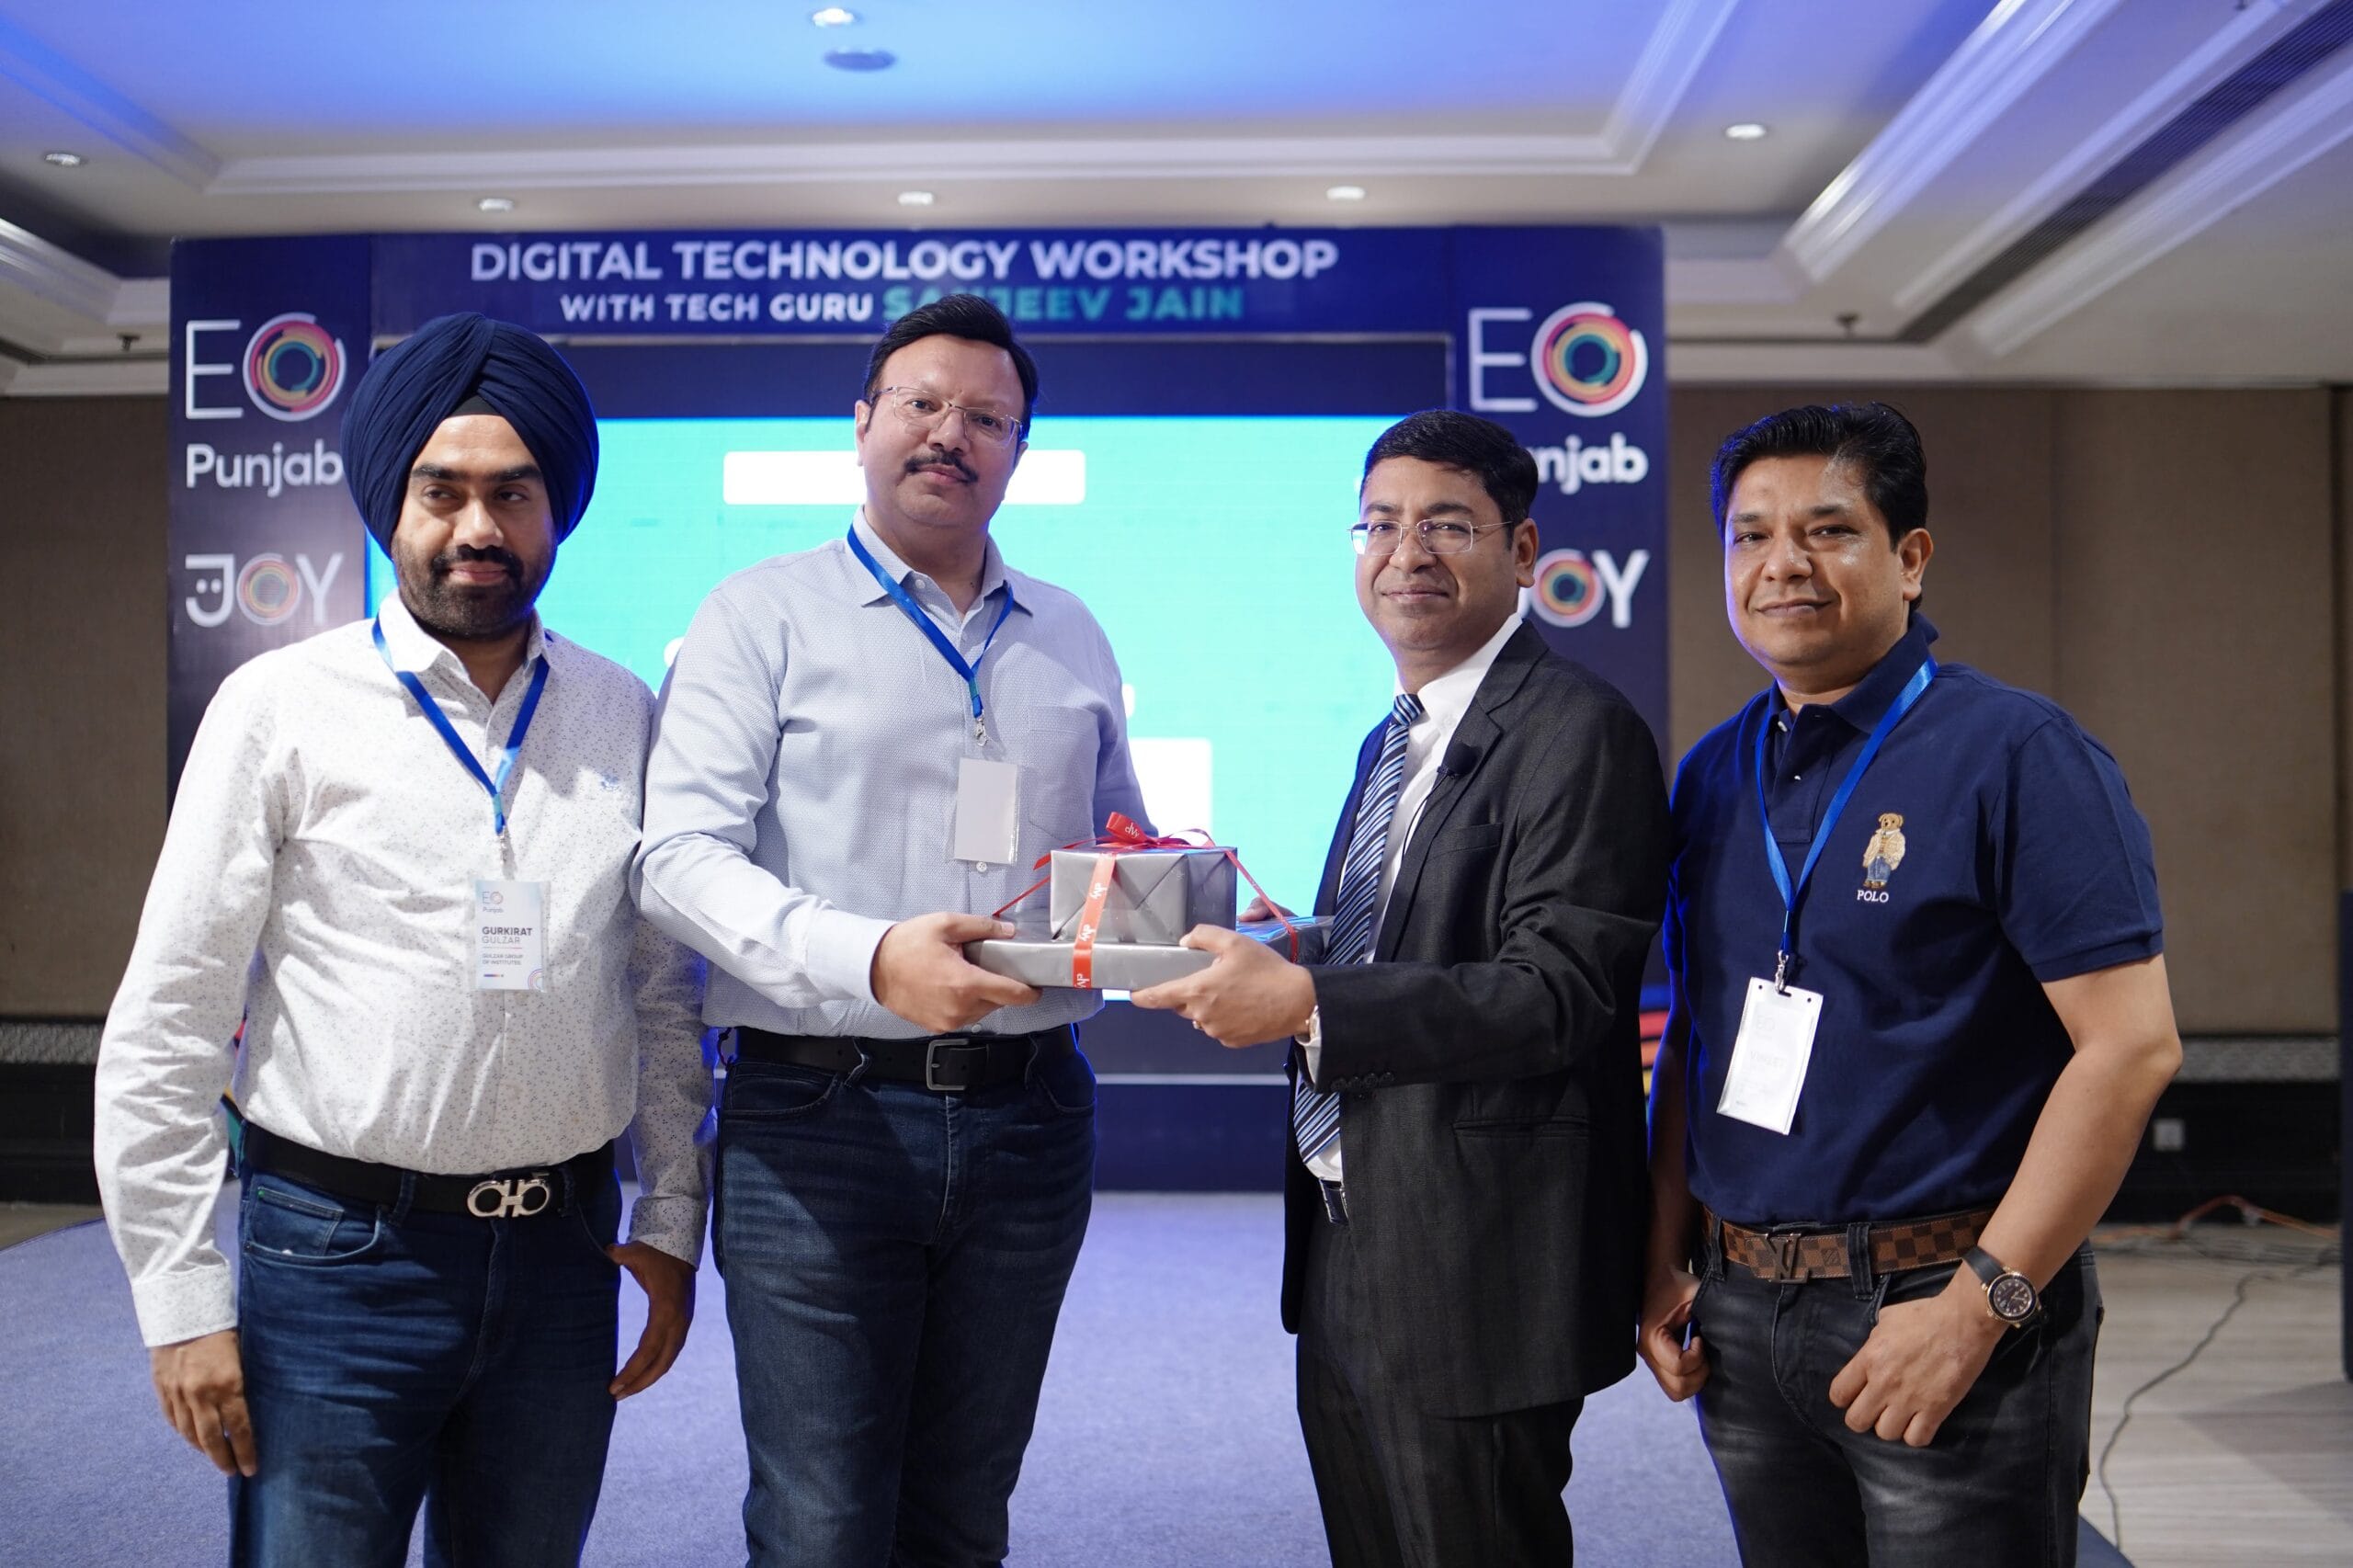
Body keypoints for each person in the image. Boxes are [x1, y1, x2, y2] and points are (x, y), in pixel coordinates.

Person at [93, 312, 712, 1566]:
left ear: (557, 510)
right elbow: (171, 1013)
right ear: (391, 504)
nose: (478, 526)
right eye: (443, 491)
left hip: (562, 1255)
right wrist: (178, 1295)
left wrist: (671, 1215)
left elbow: (660, 994)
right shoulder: (280, 706)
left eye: (513, 493)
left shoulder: (621, 711)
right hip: (336, 1259)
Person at [633, 292, 1148, 1568]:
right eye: (921, 403)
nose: (949, 434)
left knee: (962, 1514)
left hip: (1032, 1115)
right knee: (822, 1523)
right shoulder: (758, 614)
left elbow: (1117, 847)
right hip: (822, 1116)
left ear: (1019, 450)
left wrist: (1178, 901)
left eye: (987, 417)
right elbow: (676, 859)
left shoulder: (1072, 629)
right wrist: (867, 956)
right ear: (861, 422)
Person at [1638, 402, 2182, 1567]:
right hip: (1741, 1312)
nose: (1783, 562)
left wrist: (1980, 1306)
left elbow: (2131, 1046)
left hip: (1942, 1299)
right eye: (1750, 535)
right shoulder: (1714, 772)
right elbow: (1697, 1033)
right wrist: (1660, 1255)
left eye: (1828, 529)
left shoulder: (2017, 754)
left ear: (1910, 557)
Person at [1131, 409, 1668, 1567]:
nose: (1405, 552)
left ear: (1522, 551)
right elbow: (1415, 932)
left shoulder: (1579, 730)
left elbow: (1557, 990)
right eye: (1379, 524)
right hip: (1349, 1232)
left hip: (1476, 1258)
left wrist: (1308, 1004)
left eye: (1446, 525)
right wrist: (1289, 944)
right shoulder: (1395, 736)